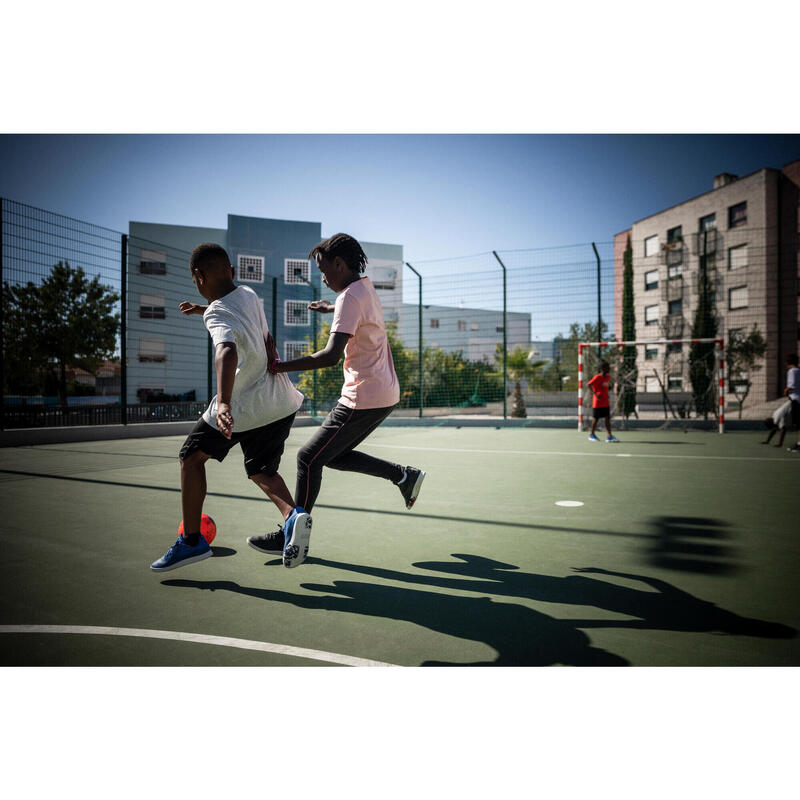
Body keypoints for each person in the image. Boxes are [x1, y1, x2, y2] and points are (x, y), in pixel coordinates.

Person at [247, 233, 425, 565]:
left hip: (363, 396)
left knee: (307, 458)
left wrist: (279, 366)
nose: (323, 278)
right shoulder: (364, 289)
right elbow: (358, 313)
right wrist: (330, 308)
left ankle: (293, 536)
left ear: (339, 265)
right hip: (383, 393)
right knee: (329, 456)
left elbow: (330, 356)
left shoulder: (349, 298)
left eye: (324, 271)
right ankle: (404, 476)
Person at [150, 243, 309, 572]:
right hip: (279, 400)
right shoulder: (249, 295)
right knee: (261, 469)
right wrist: (201, 310)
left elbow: (226, 350)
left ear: (198, 276)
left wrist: (223, 403)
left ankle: (192, 541)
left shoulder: (216, 313)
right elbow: (263, 338)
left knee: (191, 457)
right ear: (233, 273)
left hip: (245, 405)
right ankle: (293, 517)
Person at [587, 360, 619, 442]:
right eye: (607, 367)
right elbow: (589, 384)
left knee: (607, 418)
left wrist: (606, 394)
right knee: (596, 419)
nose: (609, 368)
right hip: (597, 402)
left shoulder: (608, 377)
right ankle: (591, 435)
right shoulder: (597, 377)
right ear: (603, 368)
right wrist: (595, 394)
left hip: (605, 402)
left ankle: (609, 436)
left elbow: (605, 387)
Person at [785, 353, 800, 454]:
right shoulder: (799, 370)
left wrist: (786, 391)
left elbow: (792, 385)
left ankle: (799, 444)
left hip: (796, 400)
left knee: (799, 424)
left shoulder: (792, 371)